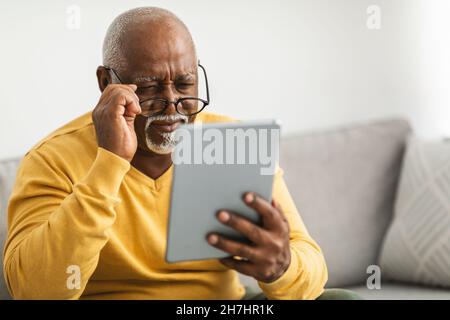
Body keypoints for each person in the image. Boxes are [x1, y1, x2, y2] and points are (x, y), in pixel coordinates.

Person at [3, 7, 357, 300]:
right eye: (149, 87)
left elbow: (310, 269)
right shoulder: (52, 158)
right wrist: (109, 162)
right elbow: (34, 291)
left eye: (185, 84)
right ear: (106, 84)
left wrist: (282, 266)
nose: (172, 104)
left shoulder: (232, 142)